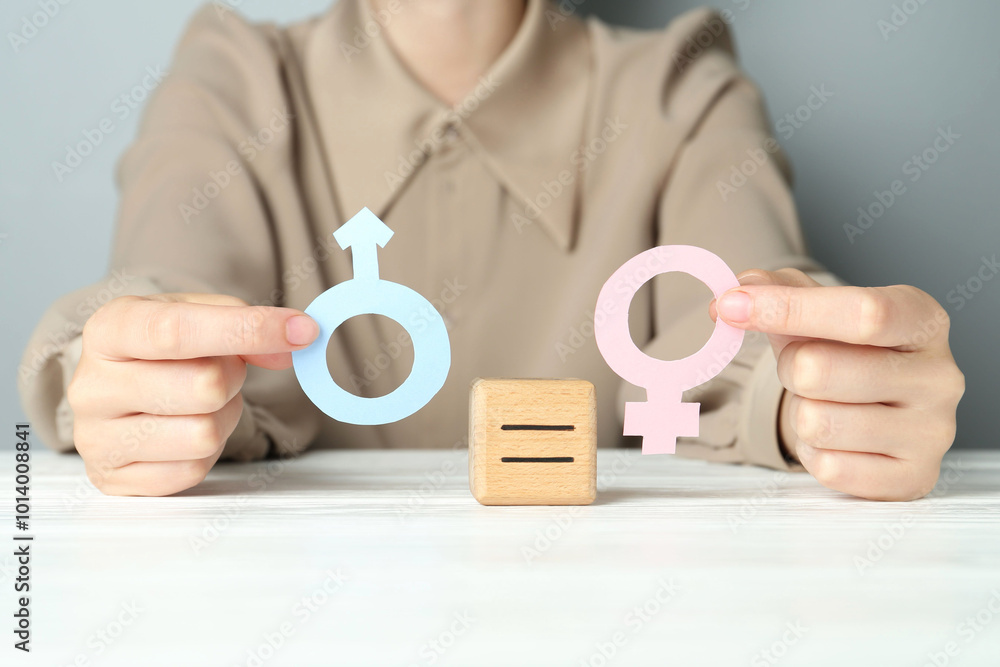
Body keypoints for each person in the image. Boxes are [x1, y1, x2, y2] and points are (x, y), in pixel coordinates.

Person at [18, 0, 964, 500]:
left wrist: (825, 389)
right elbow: (159, 298)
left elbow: (746, 325)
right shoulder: (228, 84)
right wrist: (124, 366)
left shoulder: (682, 91)